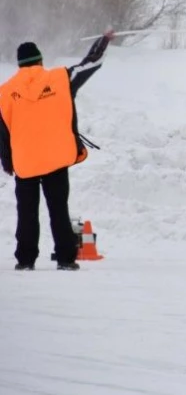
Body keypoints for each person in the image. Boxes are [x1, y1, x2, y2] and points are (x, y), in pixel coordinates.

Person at [0, 30, 114, 271]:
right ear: (40, 61)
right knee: (59, 209)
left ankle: (25, 259)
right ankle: (65, 257)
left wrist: (7, 162)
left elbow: (3, 132)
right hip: (55, 158)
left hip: (25, 161)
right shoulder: (61, 79)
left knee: (27, 212)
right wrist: (102, 41)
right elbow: (89, 64)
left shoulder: (5, 92)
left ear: (19, 65)